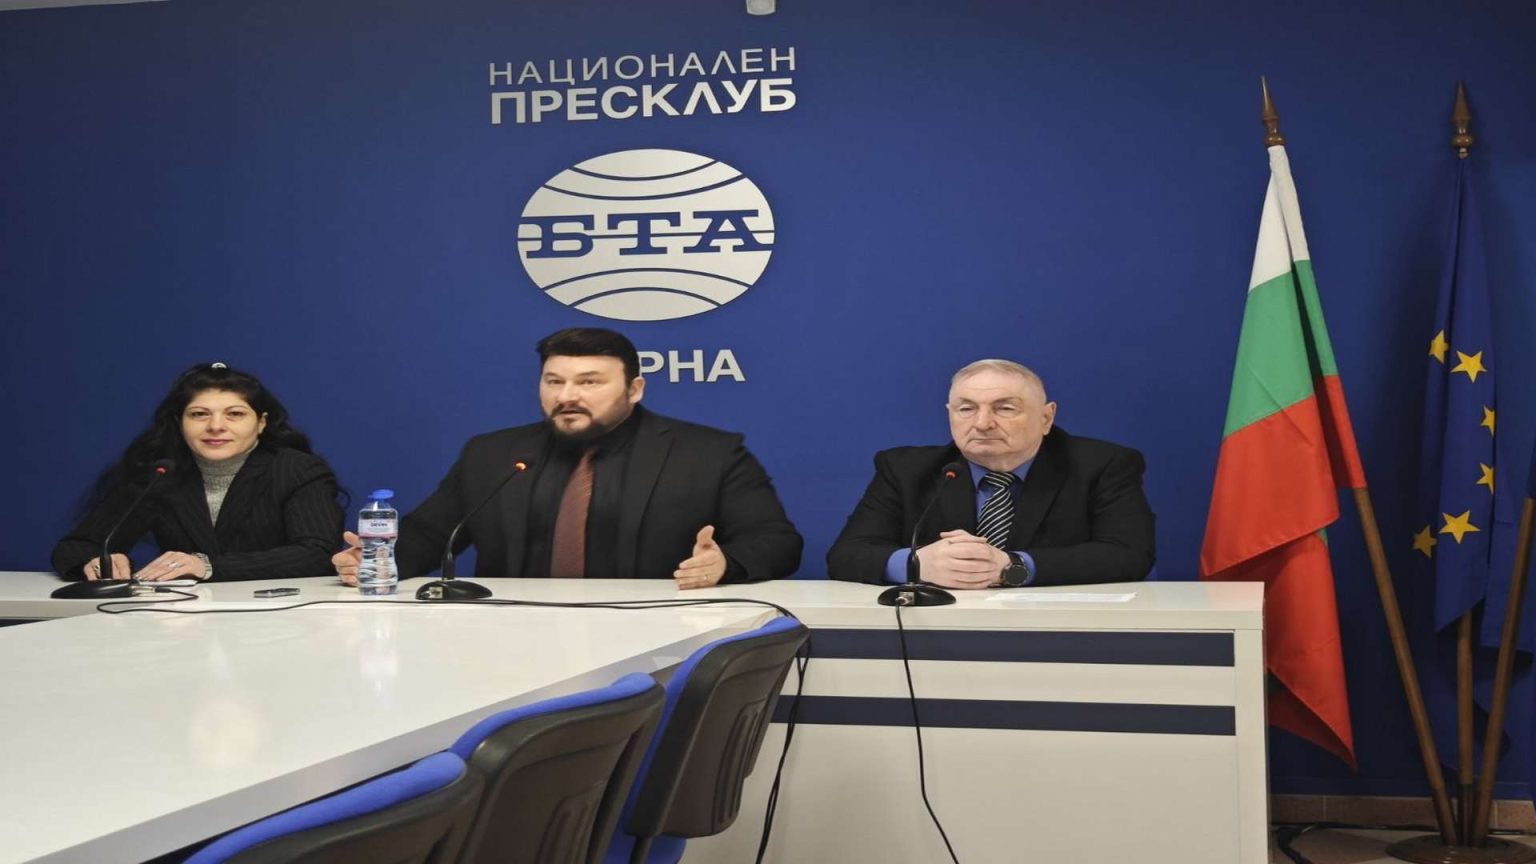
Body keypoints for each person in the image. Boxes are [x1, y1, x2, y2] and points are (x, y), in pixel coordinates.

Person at [332, 328, 802, 589]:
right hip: (508, 641)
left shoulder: (707, 454)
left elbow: (777, 541)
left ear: (635, 389)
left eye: (590, 382)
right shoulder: (493, 454)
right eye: (554, 381)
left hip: (657, 639)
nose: (567, 396)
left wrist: (724, 564)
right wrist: (376, 560)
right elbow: (430, 534)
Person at [827, 359, 1154, 589]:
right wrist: (916, 564)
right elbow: (845, 555)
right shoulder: (905, 469)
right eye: (966, 408)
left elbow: (1129, 554)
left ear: (1046, 418)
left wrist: (1012, 567)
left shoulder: (1102, 465)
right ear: (950, 414)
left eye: (1005, 408)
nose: (982, 423)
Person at [53, 363, 345, 583]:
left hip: (279, 617)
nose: (216, 426)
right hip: (183, 619)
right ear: (179, 422)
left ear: (261, 423)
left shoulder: (296, 469)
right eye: (199, 414)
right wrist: (96, 561)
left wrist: (206, 566)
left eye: (235, 414)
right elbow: (76, 547)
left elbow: (317, 553)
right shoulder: (161, 472)